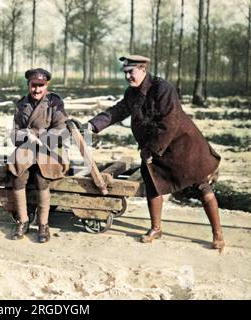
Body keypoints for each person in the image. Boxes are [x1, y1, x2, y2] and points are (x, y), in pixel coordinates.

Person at [85, 55, 225, 250]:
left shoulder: (163, 88)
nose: (127, 77)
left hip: (183, 146)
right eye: (125, 73)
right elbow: (117, 111)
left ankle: (217, 234)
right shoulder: (132, 93)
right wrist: (92, 125)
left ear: (143, 69)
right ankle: (156, 228)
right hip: (154, 147)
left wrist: (152, 150)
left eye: (130, 72)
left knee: (202, 187)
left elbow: (170, 123)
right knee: (153, 185)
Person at [7, 68, 69, 243]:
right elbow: (14, 134)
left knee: (42, 177)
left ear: (46, 85)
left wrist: (43, 139)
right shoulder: (22, 105)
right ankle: (23, 220)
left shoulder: (54, 102)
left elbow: (61, 128)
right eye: (34, 85)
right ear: (28, 85)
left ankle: (43, 224)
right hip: (28, 147)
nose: (37, 90)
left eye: (41, 86)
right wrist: (25, 136)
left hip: (50, 148)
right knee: (17, 176)